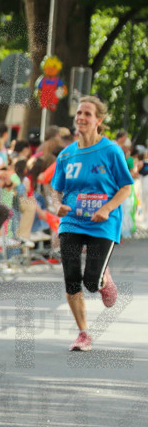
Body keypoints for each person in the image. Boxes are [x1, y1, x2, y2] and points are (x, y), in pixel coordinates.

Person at [52, 96, 132, 351]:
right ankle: (83, 333)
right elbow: (56, 190)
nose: (81, 118)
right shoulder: (66, 155)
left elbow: (126, 187)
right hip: (72, 221)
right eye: (79, 113)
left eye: (87, 114)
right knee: (71, 278)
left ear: (99, 120)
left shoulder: (111, 151)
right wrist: (58, 205)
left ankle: (103, 280)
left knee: (90, 282)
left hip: (102, 222)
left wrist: (107, 208)